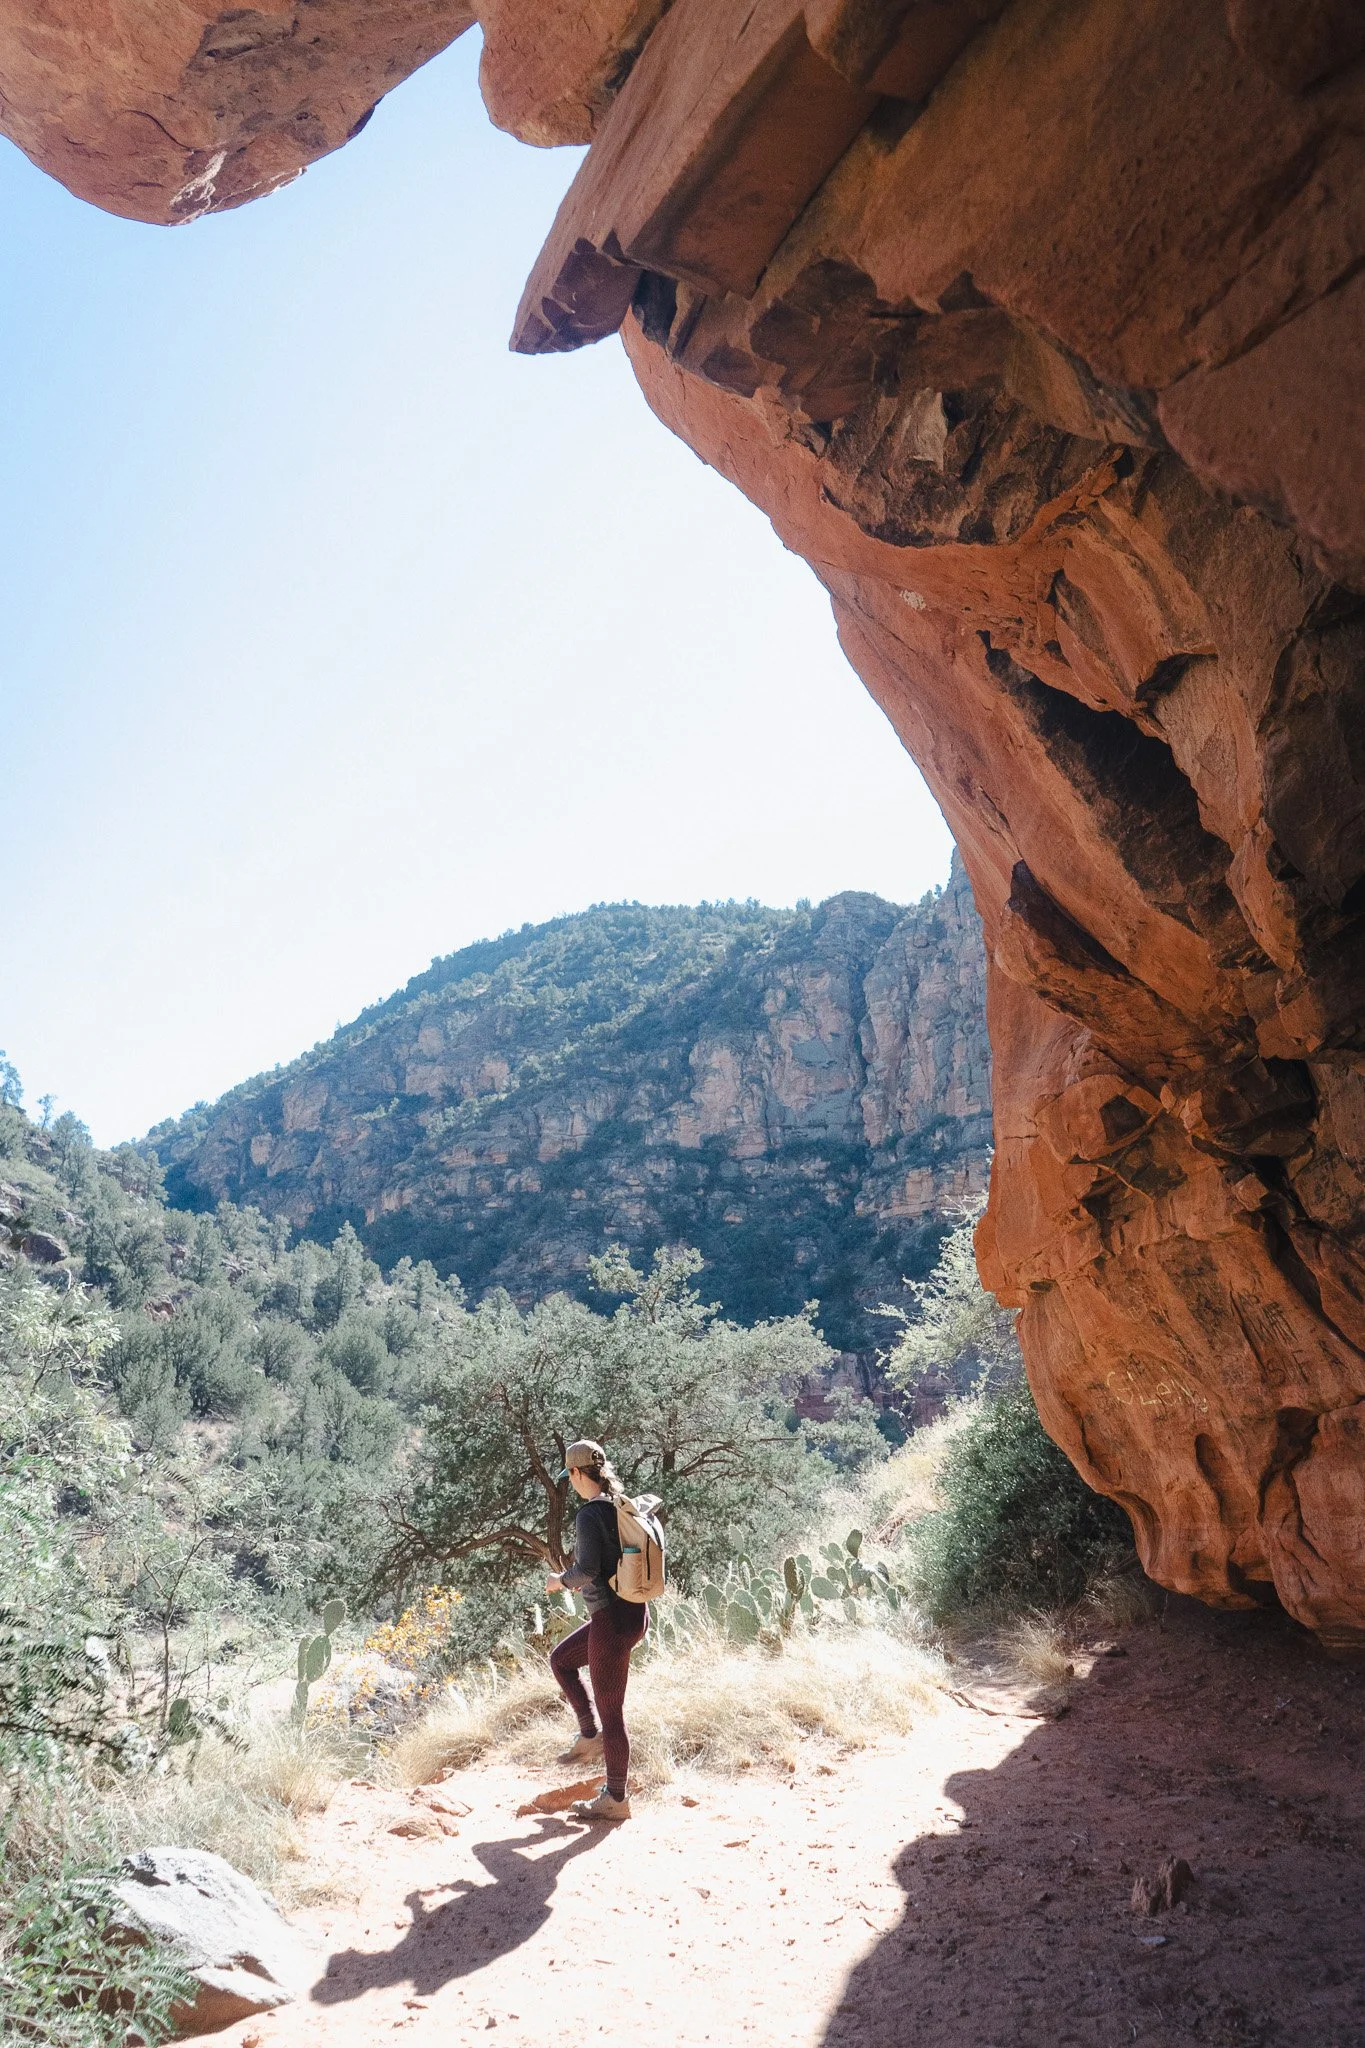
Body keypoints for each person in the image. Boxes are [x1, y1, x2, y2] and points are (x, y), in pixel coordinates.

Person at [546, 1438, 648, 1824]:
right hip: (633, 1614)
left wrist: (560, 1580)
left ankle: (616, 1798)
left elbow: (586, 1570)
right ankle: (588, 1736)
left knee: (614, 1715)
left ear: (575, 1473)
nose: (569, 1482)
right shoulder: (620, 1507)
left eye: (569, 1476)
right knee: (561, 1661)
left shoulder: (589, 1516)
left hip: (611, 1623)